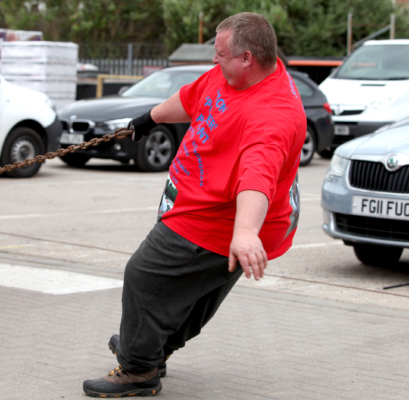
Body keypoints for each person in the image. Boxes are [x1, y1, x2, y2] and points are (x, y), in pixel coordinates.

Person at [83, 12, 306, 398]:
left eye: (220, 54)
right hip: (197, 205)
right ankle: (151, 349)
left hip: (218, 221)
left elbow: (258, 177)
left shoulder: (272, 114)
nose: (214, 61)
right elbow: (192, 98)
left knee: (143, 276)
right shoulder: (230, 75)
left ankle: (138, 371)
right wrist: (148, 119)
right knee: (191, 293)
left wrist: (245, 232)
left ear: (247, 57)